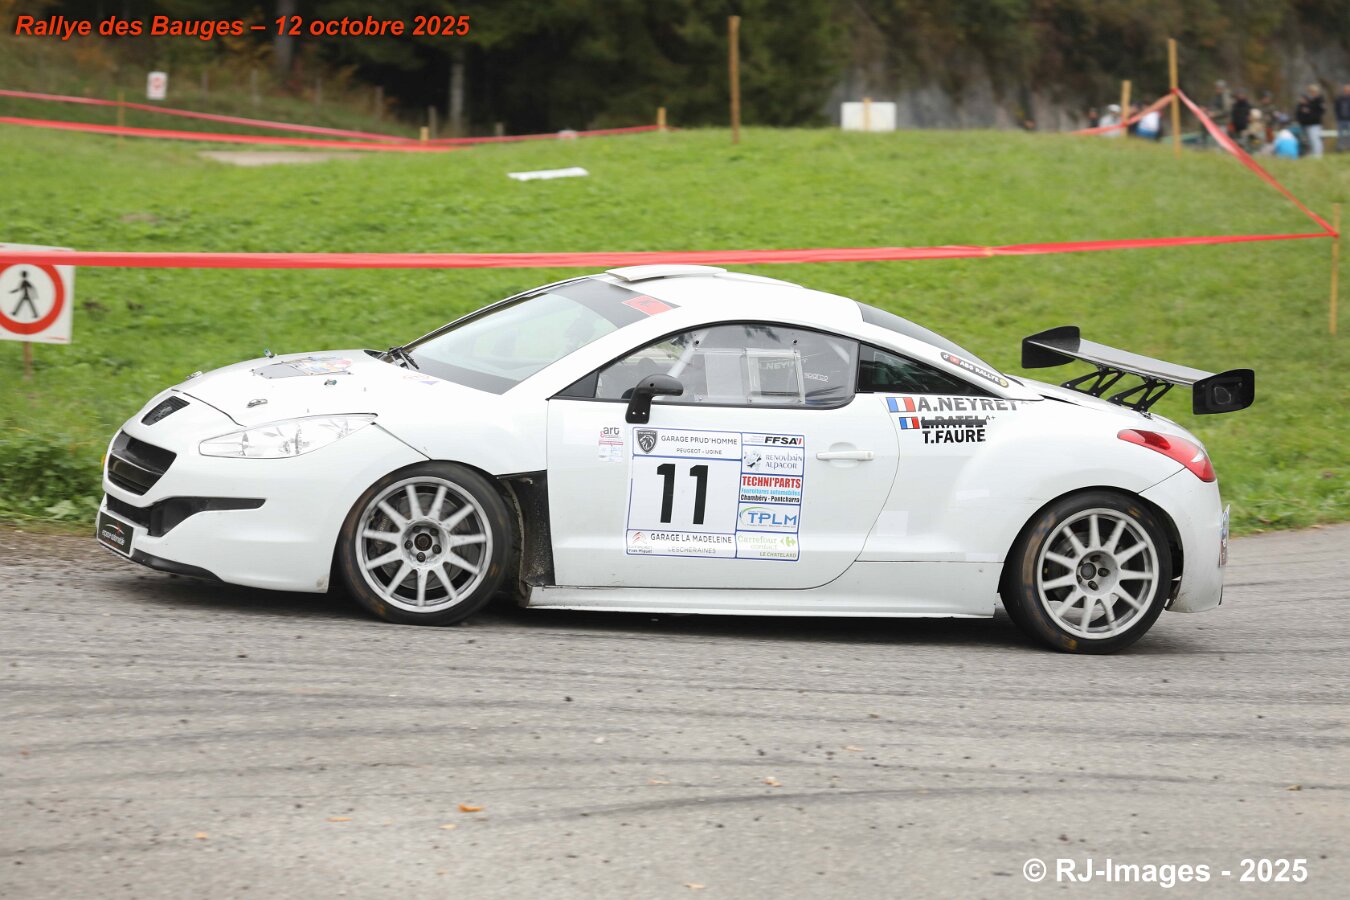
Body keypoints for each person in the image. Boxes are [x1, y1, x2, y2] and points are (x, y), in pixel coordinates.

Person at [1295, 84, 1325, 158]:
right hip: (1305, 124)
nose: (1312, 93)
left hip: (1314, 124)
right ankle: (1311, 154)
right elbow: (1299, 112)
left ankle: (1318, 155)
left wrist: (1310, 111)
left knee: (1315, 139)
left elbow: (1320, 112)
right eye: (1311, 91)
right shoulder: (1306, 101)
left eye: (1314, 91)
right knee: (1308, 141)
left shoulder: (1319, 101)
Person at [1335, 84, 1350, 153]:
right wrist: (1338, 117)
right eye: (1346, 90)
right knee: (1340, 135)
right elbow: (1336, 108)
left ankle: (1348, 147)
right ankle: (1340, 148)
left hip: (1349, 120)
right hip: (1341, 120)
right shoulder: (1340, 99)